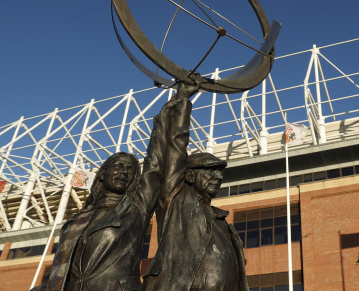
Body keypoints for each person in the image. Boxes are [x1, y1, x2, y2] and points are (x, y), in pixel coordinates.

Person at [36, 84, 197, 291]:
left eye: (130, 170)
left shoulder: (135, 209)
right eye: (119, 166)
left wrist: (169, 114)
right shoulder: (76, 221)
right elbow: (61, 269)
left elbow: (155, 164)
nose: (124, 172)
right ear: (102, 174)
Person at [143, 86, 248, 291]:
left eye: (219, 173)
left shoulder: (222, 222)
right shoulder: (176, 199)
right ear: (189, 175)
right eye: (210, 172)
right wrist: (182, 101)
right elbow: (176, 146)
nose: (217, 177)